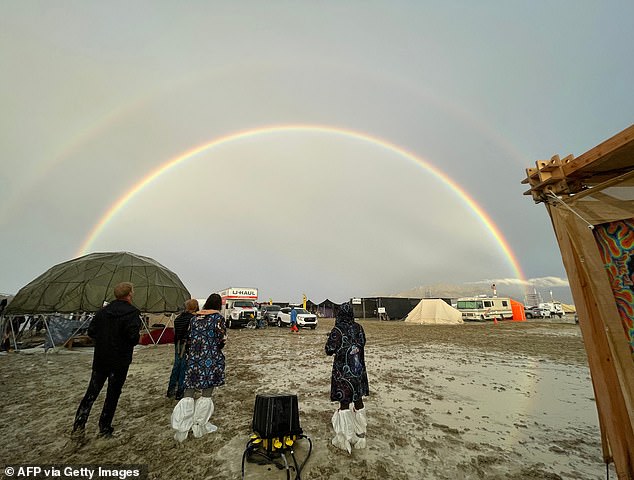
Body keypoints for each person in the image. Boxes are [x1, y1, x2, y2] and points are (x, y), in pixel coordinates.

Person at [72, 282, 141, 438]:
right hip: (120, 360)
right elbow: (132, 337)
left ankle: (79, 425)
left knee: (92, 392)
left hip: (102, 358)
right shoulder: (132, 313)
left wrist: (104, 340)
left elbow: (92, 331)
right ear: (130, 294)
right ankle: (104, 428)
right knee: (113, 394)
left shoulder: (103, 312)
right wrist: (132, 339)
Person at [171, 293, 226, 442]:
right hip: (210, 358)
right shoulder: (218, 318)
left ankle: (182, 427)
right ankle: (199, 426)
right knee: (206, 392)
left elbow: (188, 338)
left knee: (188, 392)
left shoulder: (194, 319)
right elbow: (221, 340)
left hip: (194, 358)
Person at [325, 302, 369, 453]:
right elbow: (362, 343)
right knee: (358, 401)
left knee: (344, 404)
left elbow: (329, 349)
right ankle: (360, 436)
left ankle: (345, 439)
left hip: (343, 375)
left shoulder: (337, 330)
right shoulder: (359, 328)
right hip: (358, 372)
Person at [166, 298, 199, 400]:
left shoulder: (179, 318)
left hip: (178, 344)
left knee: (176, 366)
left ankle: (170, 390)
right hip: (187, 345)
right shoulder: (194, 319)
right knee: (184, 368)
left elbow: (176, 333)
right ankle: (180, 391)